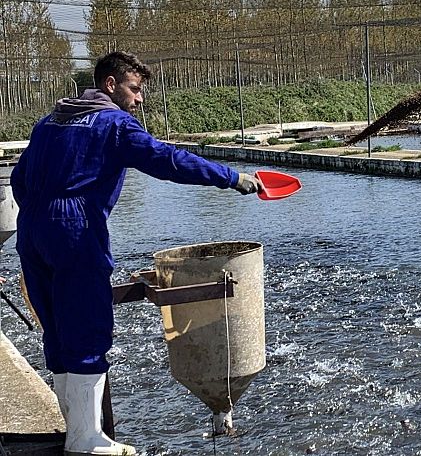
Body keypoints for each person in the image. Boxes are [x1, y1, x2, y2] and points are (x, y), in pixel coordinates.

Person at [10, 51, 262, 456]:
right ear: (111, 85)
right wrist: (231, 177)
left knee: (56, 329)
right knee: (89, 328)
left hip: (32, 229)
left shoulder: (50, 122)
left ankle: (74, 425)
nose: (139, 98)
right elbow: (168, 160)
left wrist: (42, 218)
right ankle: (86, 438)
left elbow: (19, 180)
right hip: (75, 228)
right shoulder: (112, 124)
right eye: (135, 88)